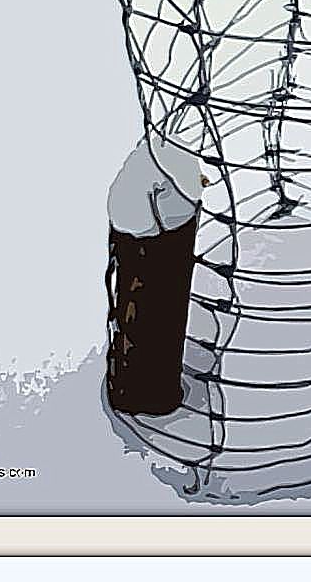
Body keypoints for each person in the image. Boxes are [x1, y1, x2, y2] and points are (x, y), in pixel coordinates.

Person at [105, 133, 203, 415]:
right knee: (152, 308)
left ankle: (142, 390)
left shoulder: (162, 157)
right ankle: (144, 392)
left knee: (150, 309)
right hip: (153, 228)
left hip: (150, 227)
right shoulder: (163, 160)